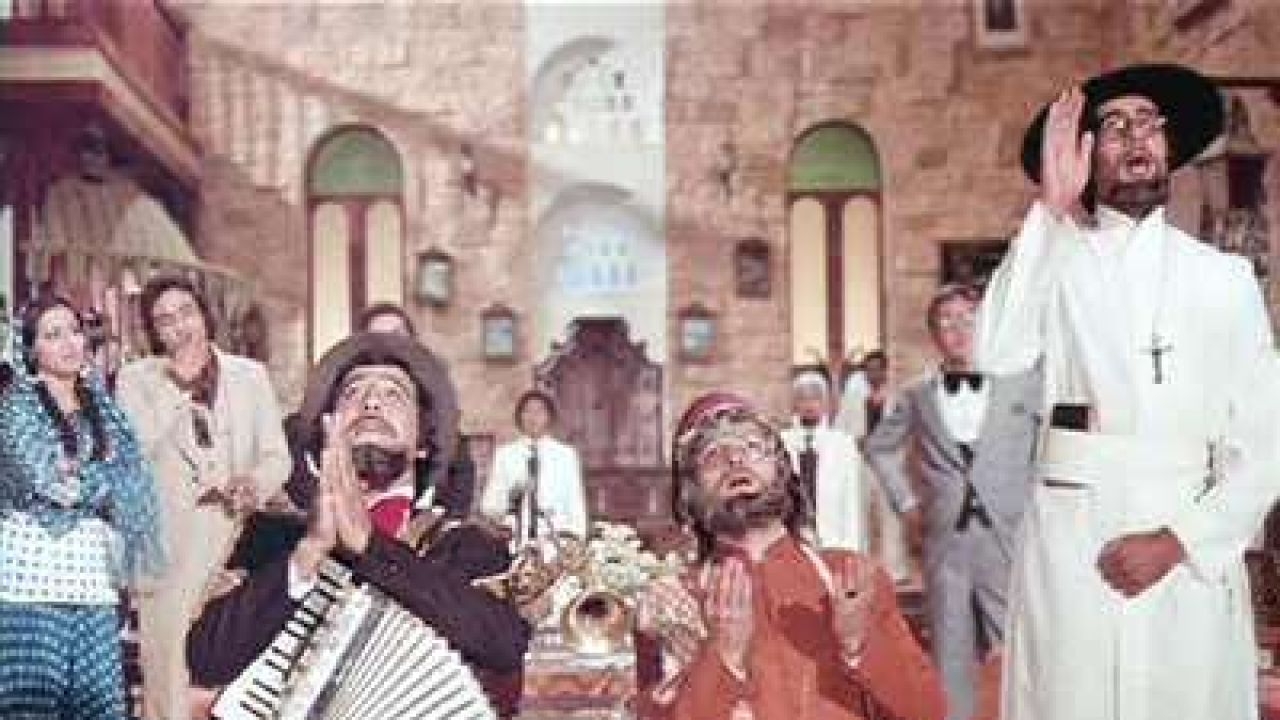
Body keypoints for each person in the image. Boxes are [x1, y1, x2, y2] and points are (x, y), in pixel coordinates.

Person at [977, 63, 1280, 720]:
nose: (1135, 137)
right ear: (1086, 155)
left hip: (1187, 552)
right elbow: (996, 351)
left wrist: (1177, 542)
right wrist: (1050, 209)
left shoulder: (1224, 279)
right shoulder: (1055, 263)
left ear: (1169, 145)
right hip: (1075, 553)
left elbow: (1266, 443)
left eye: (1148, 123)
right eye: (1113, 126)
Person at [186, 332, 530, 718]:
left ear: (423, 443)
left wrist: (369, 545)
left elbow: (504, 645)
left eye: (394, 394)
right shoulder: (269, 538)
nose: (371, 402)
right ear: (324, 436)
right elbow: (204, 660)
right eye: (352, 393)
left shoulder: (466, 546)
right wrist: (307, 553)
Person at [632, 392, 946, 720]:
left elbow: (928, 711)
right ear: (688, 494)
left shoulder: (849, 577)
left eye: (752, 447)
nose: (735, 460)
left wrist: (862, 646)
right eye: (713, 455)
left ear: (783, 470)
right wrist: (722, 658)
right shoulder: (669, 604)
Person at [115, 275, 290, 720]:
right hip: (167, 550)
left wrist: (254, 484)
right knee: (168, 682)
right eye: (165, 320)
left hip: (235, 539)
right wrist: (177, 390)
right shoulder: (136, 381)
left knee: (229, 673)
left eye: (186, 313)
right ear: (154, 332)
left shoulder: (250, 377)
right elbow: (133, 452)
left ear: (204, 315)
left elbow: (278, 457)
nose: (180, 327)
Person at [863, 285, 1041, 720]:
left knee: (1019, 646)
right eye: (947, 321)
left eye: (968, 318)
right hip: (945, 542)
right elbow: (878, 447)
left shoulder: (1023, 384)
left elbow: (1052, 442)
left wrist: (1037, 499)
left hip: (1010, 537)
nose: (959, 330)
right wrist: (907, 503)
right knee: (951, 651)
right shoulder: (917, 395)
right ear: (934, 335)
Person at [0, 295, 165, 719]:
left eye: (74, 331)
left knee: (100, 706)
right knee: (31, 705)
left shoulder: (103, 407)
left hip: (93, 577)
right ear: (31, 349)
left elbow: (135, 479)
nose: (70, 343)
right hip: (31, 578)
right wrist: (103, 481)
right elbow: (50, 483)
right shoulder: (17, 407)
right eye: (53, 335)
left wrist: (87, 477)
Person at [837, 350, 913, 583]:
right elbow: (840, 429)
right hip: (860, 464)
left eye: (878, 369)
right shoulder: (852, 398)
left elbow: (907, 431)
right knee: (859, 516)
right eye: (869, 370)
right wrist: (854, 440)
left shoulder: (899, 399)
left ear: (886, 371)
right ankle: (860, 569)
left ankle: (895, 570)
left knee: (891, 518)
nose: (874, 374)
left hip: (889, 465)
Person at [480, 390, 588, 540]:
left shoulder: (565, 455)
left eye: (539, 411)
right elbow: (489, 505)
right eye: (528, 411)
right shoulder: (505, 454)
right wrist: (510, 499)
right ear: (519, 417)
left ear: (549, 417)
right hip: (514, 535)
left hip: (555, 535)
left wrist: (576, 537)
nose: (533, 417)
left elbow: (575, 502)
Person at [781, 371, 867, 551]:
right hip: (791, 540)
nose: (809, 405)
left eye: (815, 398)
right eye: (803, 398)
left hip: (833, 541)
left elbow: (851, 502)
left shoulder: (843, 443)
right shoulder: (782, 442)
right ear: (794, 404)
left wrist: (850, 548)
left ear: (825, 403)